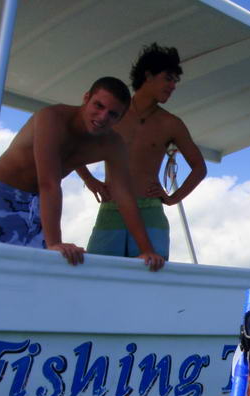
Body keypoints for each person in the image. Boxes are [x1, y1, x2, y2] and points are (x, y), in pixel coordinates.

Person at [0, 77, 165, 271]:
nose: (103, 117)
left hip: (37, 201)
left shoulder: (112, 144)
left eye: (113, 114)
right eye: (98, 105)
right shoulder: (52, 118)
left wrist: (147, 250)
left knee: (38, 270)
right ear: (86, 98)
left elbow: (123, 196)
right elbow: (49, 183)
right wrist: (54, 243)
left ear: (120, 118)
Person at [78, 44, 206, 260]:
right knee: (101, 273)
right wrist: (89, 179)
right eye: (169, 78)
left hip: (150, 211)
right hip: (112, 208)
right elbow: (72, 144)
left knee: (151, 276)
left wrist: (172, 198)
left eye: (176, 81)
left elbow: (199, 168)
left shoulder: (171, 123)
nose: (173, 86)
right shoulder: (113, 112)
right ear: (148, 75)